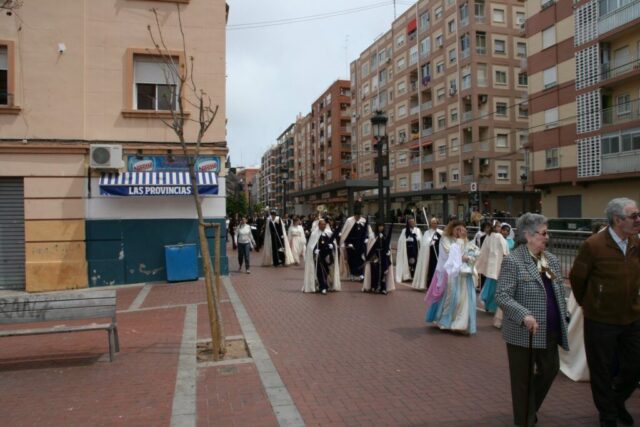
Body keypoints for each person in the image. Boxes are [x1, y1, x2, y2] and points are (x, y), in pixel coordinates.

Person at [570, 197, 640, 427]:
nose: (638, 219)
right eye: (634, 216)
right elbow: (577, 279)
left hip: (631, 317)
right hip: (600, 321)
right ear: (618, 219)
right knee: (601, 371)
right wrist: (592, 304)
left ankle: (616, 401)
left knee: (634, 366)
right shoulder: (593, 245)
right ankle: (608, 415)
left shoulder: (635, 243)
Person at [495, 213, 569, 427]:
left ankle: (528, 406)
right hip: (523, 333)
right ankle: (524, 419)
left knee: (550, 370)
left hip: (550, 330)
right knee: (522, 381)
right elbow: (502, 295)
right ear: (528, 235)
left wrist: (564, 314)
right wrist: (523, 315)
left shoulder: (551, 260)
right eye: (544, 233)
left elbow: (558, 292)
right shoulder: (513, 261)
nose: (548, 237)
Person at [426, 221, 479, 334]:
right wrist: (463, 255)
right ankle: (444, 320)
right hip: (449, 273)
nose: (459, 232)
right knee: (450, 296)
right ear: (452, 229)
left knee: (461, 299)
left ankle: (458, 323)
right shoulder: (445, 239)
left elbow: (470, 251)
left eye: (462, 229)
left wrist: (471, 255)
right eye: (457, 229)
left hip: (462, 274)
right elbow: (451, 254)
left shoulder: (464, 240)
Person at [476, 221, 509, 314]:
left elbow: (484, 250)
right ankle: (489, 303)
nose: (499, 228)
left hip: (493, 264)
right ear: (494, 227)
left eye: (499, 226)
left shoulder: (489, 236)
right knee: (494, 286)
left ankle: (488, 304)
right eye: (497, 226)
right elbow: (505, 250)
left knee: (491, 284)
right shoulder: (497, 236)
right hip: (496, 264)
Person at [302, 218, 341, 294]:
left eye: (324, 224)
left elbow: (333, 242)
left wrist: (332, 246)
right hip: (319, 256)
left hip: (328, 255)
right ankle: (322, 287)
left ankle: (326, 285)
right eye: (322, 224)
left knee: (327, 271)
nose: (323, 226)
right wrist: (314, 250)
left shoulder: (328, 233)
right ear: (319, 225)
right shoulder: (314, 234)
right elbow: (310, 245)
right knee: (320, 271)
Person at [339, 201, 372, 281]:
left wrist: (367, 238)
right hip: (351, 244)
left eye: (359, 215)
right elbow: (345, 233)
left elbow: (368, 231)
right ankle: (352, 274)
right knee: (352, 259)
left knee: (361, 259)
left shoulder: (363, 221)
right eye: (356, 215)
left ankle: (361, 274)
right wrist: (347, 243)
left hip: (361, 244)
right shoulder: (349, 220)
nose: (358, 217)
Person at [363, 222, 395, 295]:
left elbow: (387, 245)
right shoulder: (373, 236)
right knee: (375, 271)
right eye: (379, 226)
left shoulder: (384, 236)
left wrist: (388, 251)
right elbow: (371, 246)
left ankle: (383, 288)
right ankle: (375, 286)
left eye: (382, 226)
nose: (381, 228)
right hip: (375, 255)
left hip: (383, 256)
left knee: (384, 271)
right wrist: (369, 257)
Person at [411, 217, 442, 291]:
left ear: (437, 224)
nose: (434, 224)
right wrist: (429, 243)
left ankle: (437, 284)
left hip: (438, 254)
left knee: (437, 269)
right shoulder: (427, 233)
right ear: (430, 224)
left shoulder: (440, 232)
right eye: (432, 223)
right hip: (429, 254)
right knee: (430, 269)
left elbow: (443, 242)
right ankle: (429, 284)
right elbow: (424, 244)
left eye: (435, 223)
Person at [395, 217, 422, 283]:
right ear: (408, 223)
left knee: (415, 262)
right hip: (407, 250)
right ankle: (407, 276)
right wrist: (407, 239)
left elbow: (421, 239)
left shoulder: (417, 230)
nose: (412, 223)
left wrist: (418, 239)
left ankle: (414, 276)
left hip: (415, 249)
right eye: (410, 222)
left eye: (413, 221)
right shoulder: (404, 230)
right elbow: (401, 240)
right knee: (408, 263)